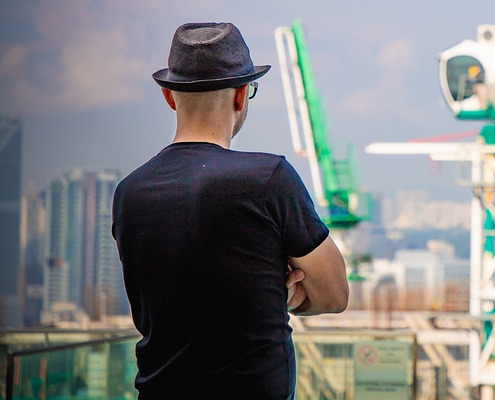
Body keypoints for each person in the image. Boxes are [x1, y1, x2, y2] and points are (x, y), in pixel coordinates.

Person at [112, 22, 348, 399]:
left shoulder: (129, 193)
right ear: (241, 95)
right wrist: (274, 291)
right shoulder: (268, 178)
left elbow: (180, 293)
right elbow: (335, 295)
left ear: (169, 97)